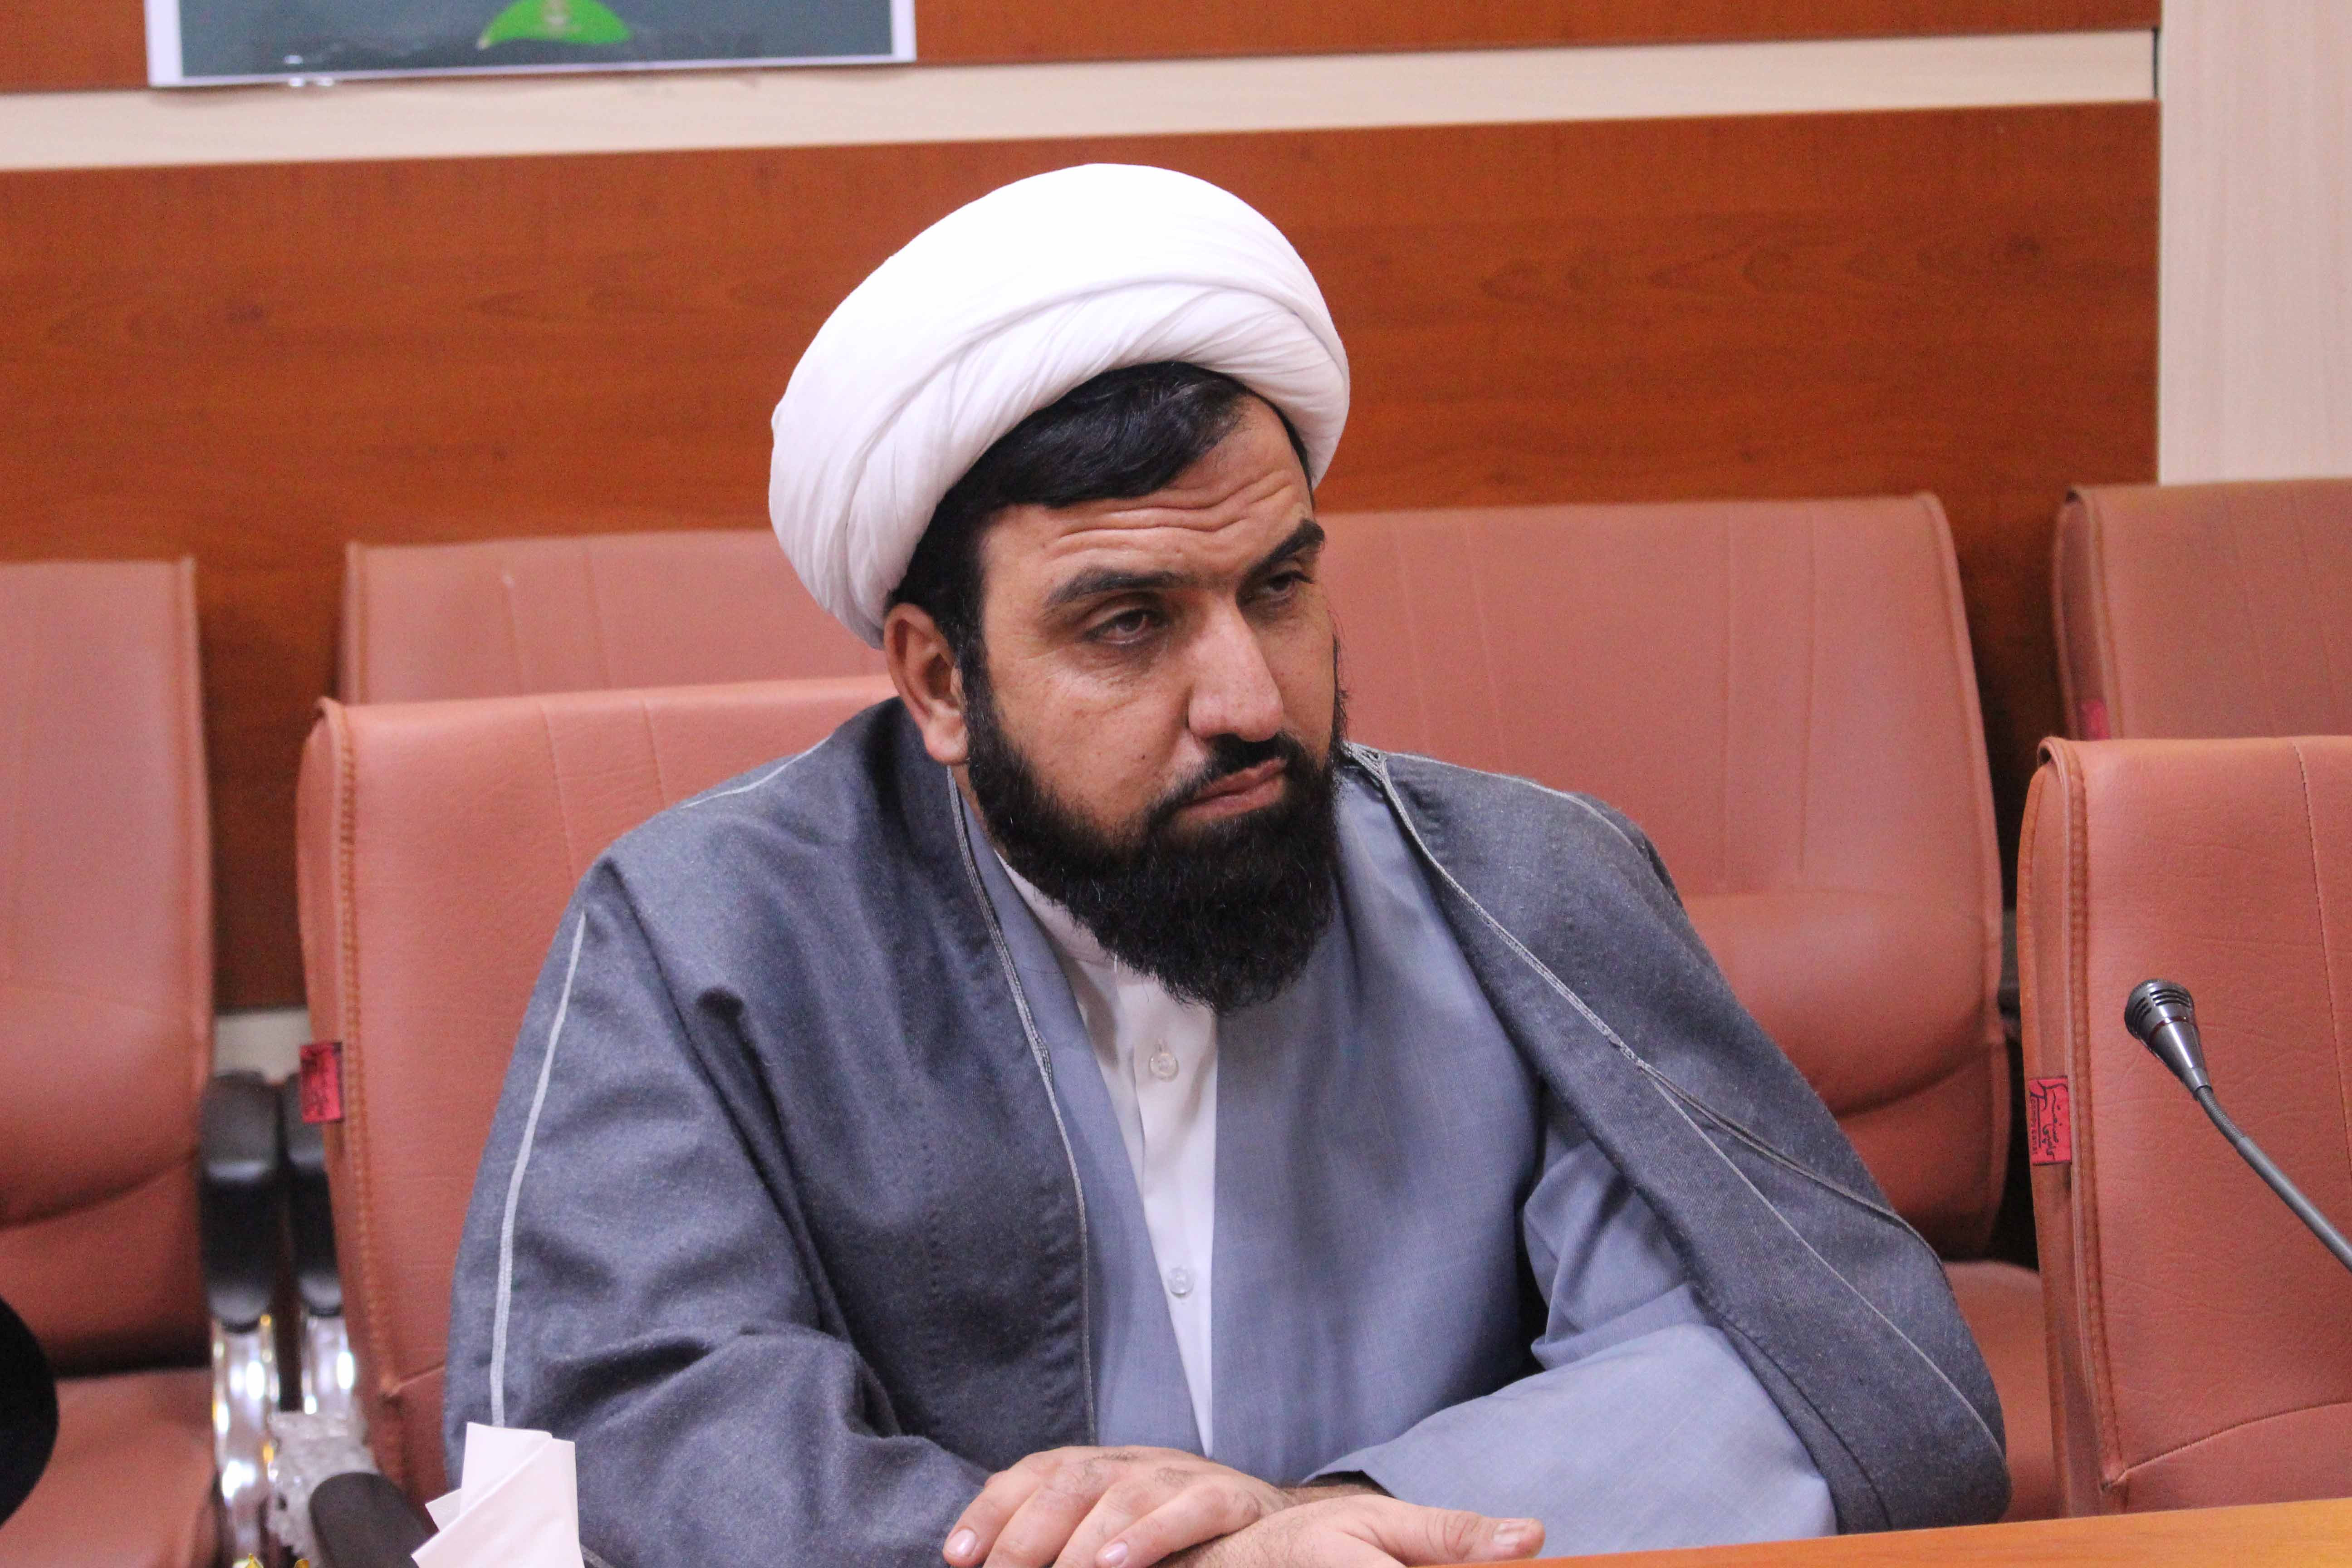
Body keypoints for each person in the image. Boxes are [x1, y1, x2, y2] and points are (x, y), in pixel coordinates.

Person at [442, 164, 2009, 1568]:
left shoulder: (1526, 887)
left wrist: (1329, 1522)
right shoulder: (707, 933)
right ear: (937, 680)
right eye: (1129, 624)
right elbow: (621, 1428)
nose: (1251, 700)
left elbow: (1812, 1363)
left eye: (1277, 589)